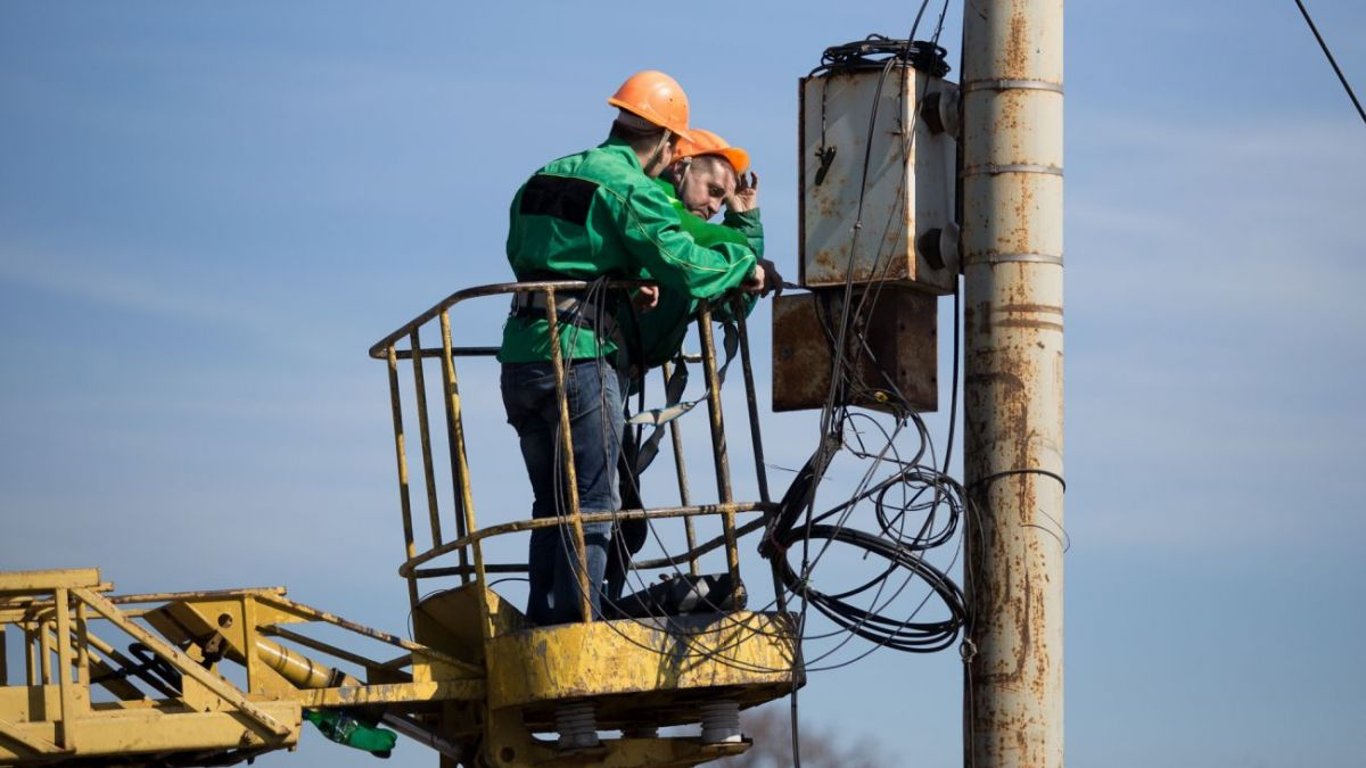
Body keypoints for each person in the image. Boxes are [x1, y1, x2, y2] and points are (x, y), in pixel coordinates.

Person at [498, 71, 769, 626]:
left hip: (521, 359)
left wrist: (621, 277)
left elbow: (529, 252)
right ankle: (580, 622)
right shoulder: (631, 188)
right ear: (671, 146)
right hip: (580, 357)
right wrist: (747, 264)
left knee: (551, 504)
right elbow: (685, 263)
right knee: (595, 502)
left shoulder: (543, 175)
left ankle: (543, 617)